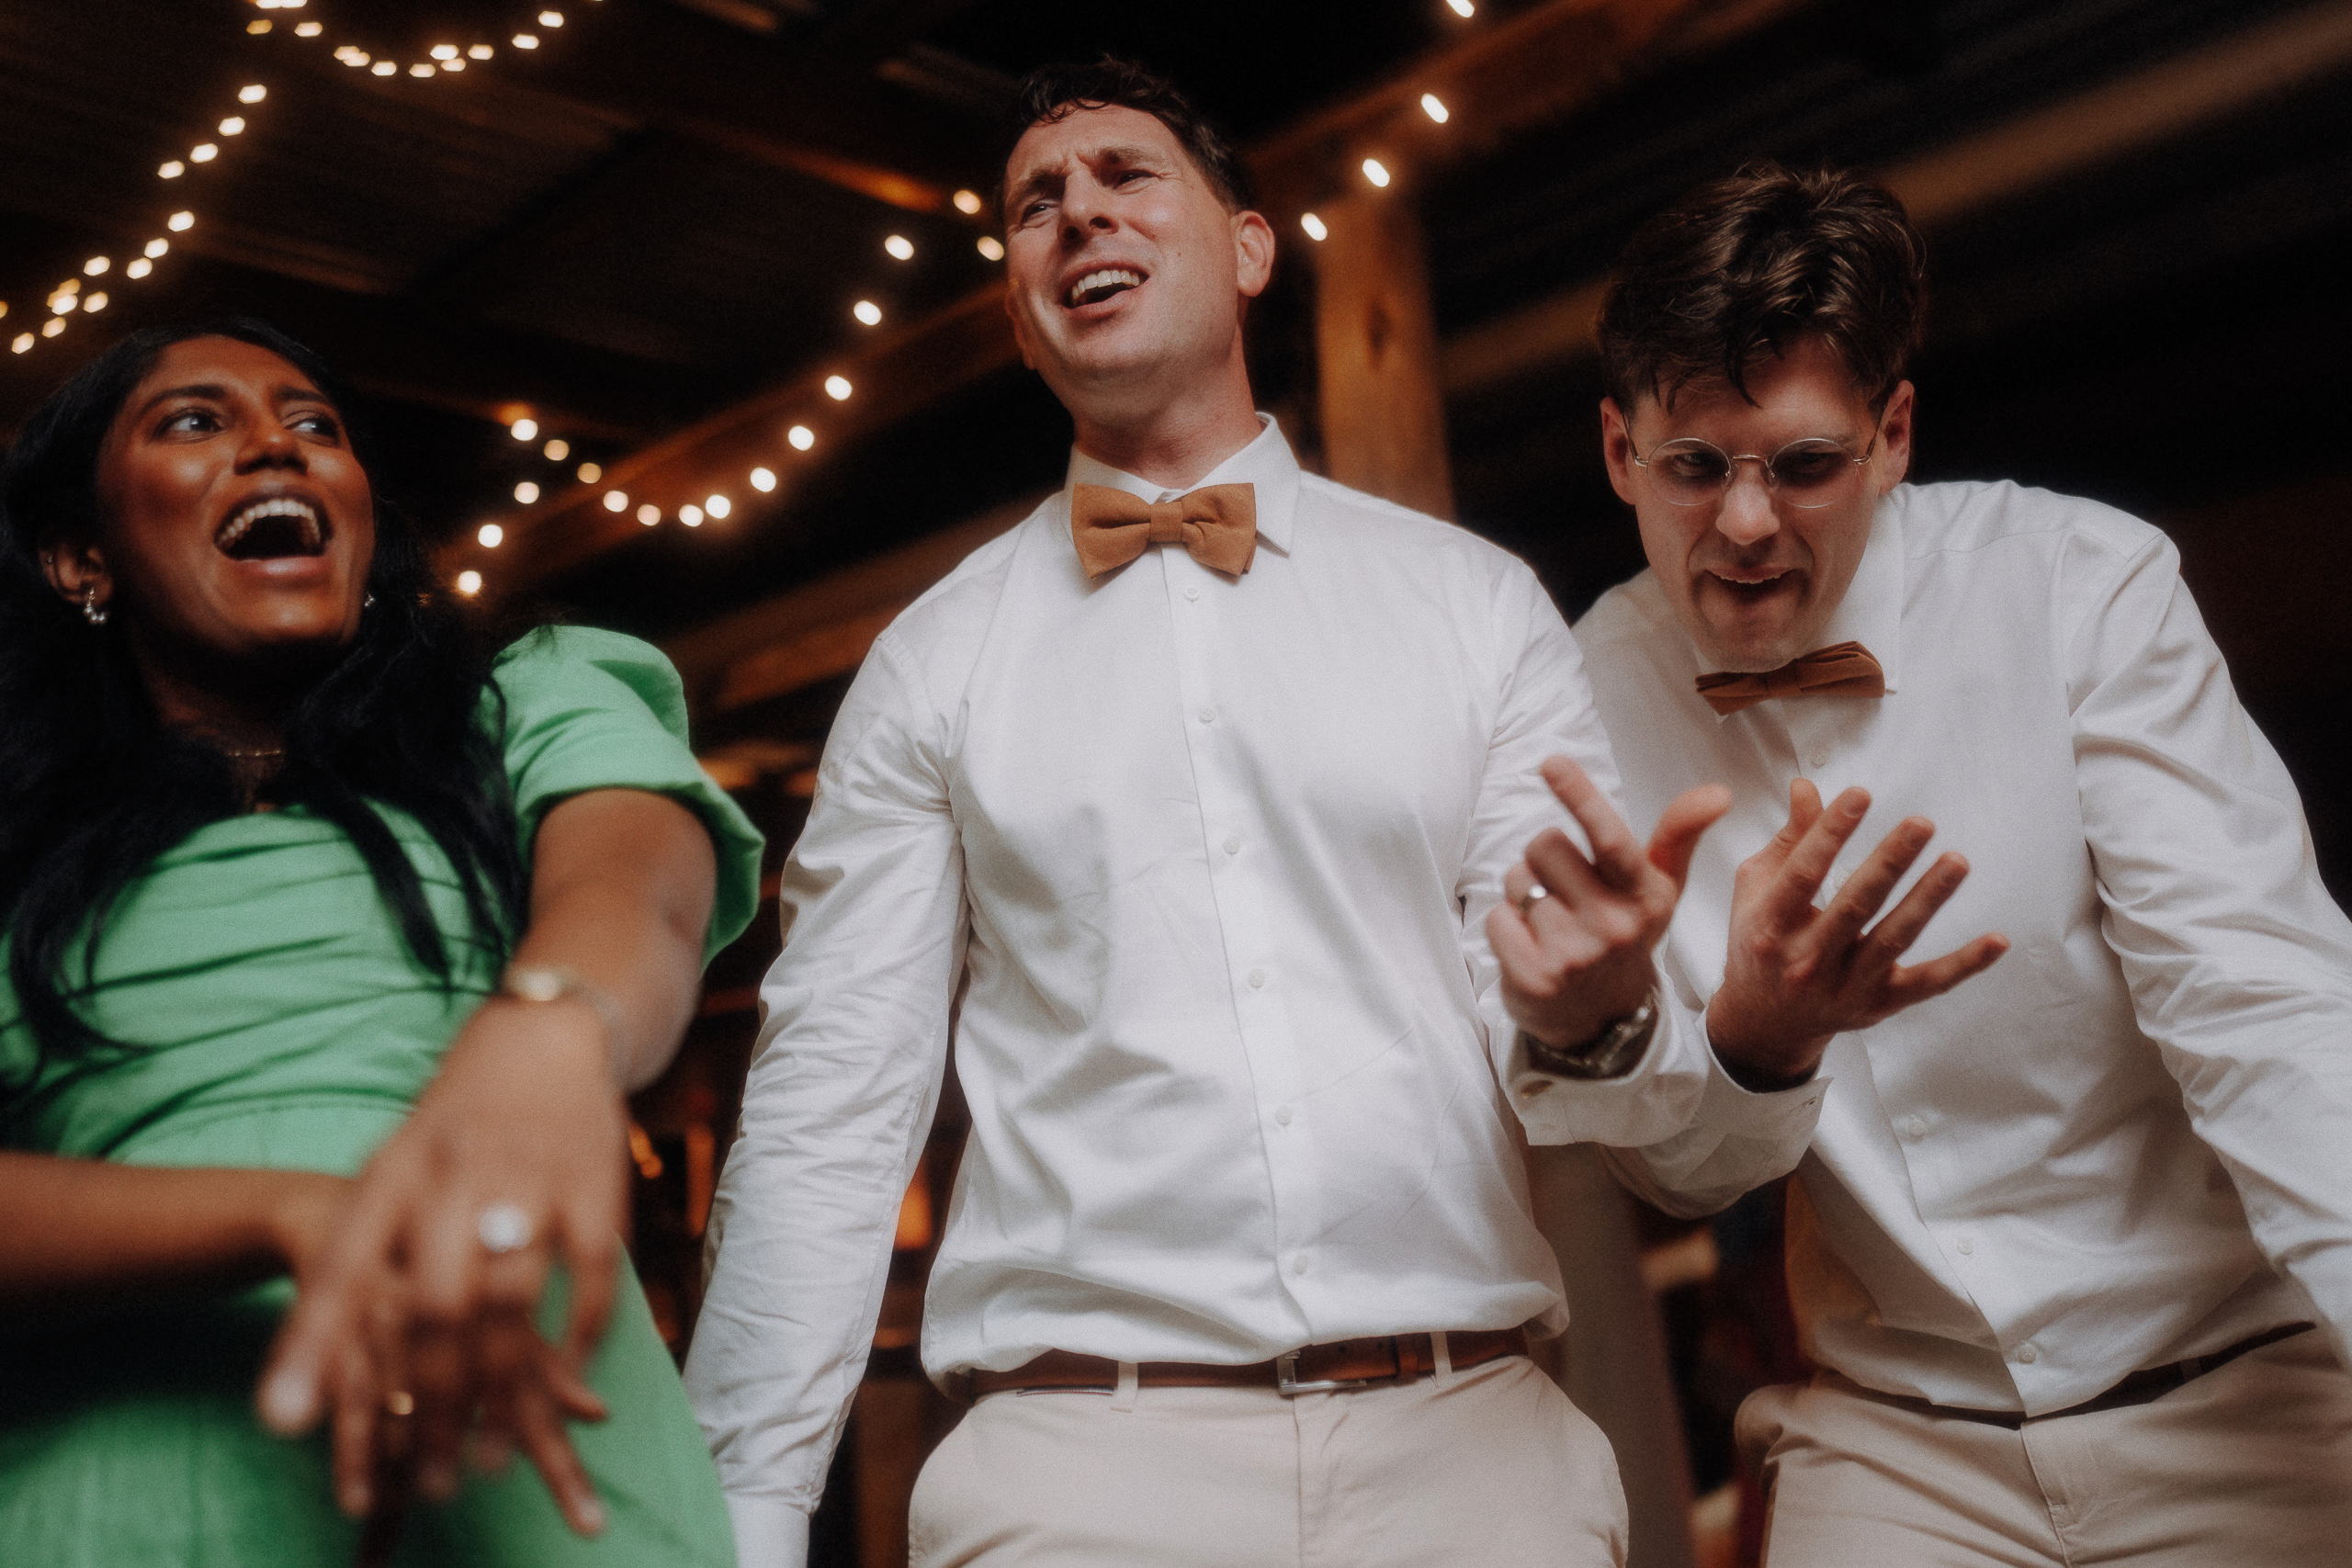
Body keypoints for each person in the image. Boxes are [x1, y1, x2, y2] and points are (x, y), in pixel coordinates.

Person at [684, 58, 1782, 1568]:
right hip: (1081, 1475)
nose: (1077, 213)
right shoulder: (930, 664)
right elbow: (826, 1113)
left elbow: (1606, 1082)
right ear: (1018, 305)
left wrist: (1595, 1009)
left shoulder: (1471, 607)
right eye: (1035, 205)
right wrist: (735, 1518)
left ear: (1251, 248)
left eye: (1127, 176)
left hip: (1471, 1458)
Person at [1571, 163, 2352, 1564]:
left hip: (2239, 1389)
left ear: (1892, 434)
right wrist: (1754, 1046)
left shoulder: (2080, 588)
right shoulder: (1572, 706)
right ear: (1622, 453)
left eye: (1804, 464)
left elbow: (2262, 1007)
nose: (1744, 525)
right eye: (1695, 468)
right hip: (1896, 1441)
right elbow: (1671, 1181)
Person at [0, 318, 763, 1565]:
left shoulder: (521, 701)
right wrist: (297, 1215)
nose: (274, 450)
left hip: (537, 1486)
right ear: (83, 555)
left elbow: (643, 886)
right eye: (197, 421)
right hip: (121, 1503)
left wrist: (557, 1025)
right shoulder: (17, 842)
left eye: (316, 428)